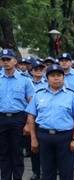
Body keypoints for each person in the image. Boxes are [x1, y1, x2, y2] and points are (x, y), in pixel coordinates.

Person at [25, 64, 74, 180]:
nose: (56, 78)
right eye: (52, 75)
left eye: (59, 75)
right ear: (47, 78)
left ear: (64, 78)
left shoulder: (71, 95)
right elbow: (31, 117)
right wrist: (33, 139)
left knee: (66, 171)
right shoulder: (39, 94)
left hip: (65, 137)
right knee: (47, 171)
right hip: (44, 136)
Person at [0, 49, 35, 180]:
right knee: (3, 152)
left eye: (8, 59)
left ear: (15, 61)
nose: (6, 62)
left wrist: (27, 124)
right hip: (1, 118)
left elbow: (31, 103)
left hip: (18, 118)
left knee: (17, 151)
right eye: (3, 60)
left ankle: (18, 177)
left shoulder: (25, 80)